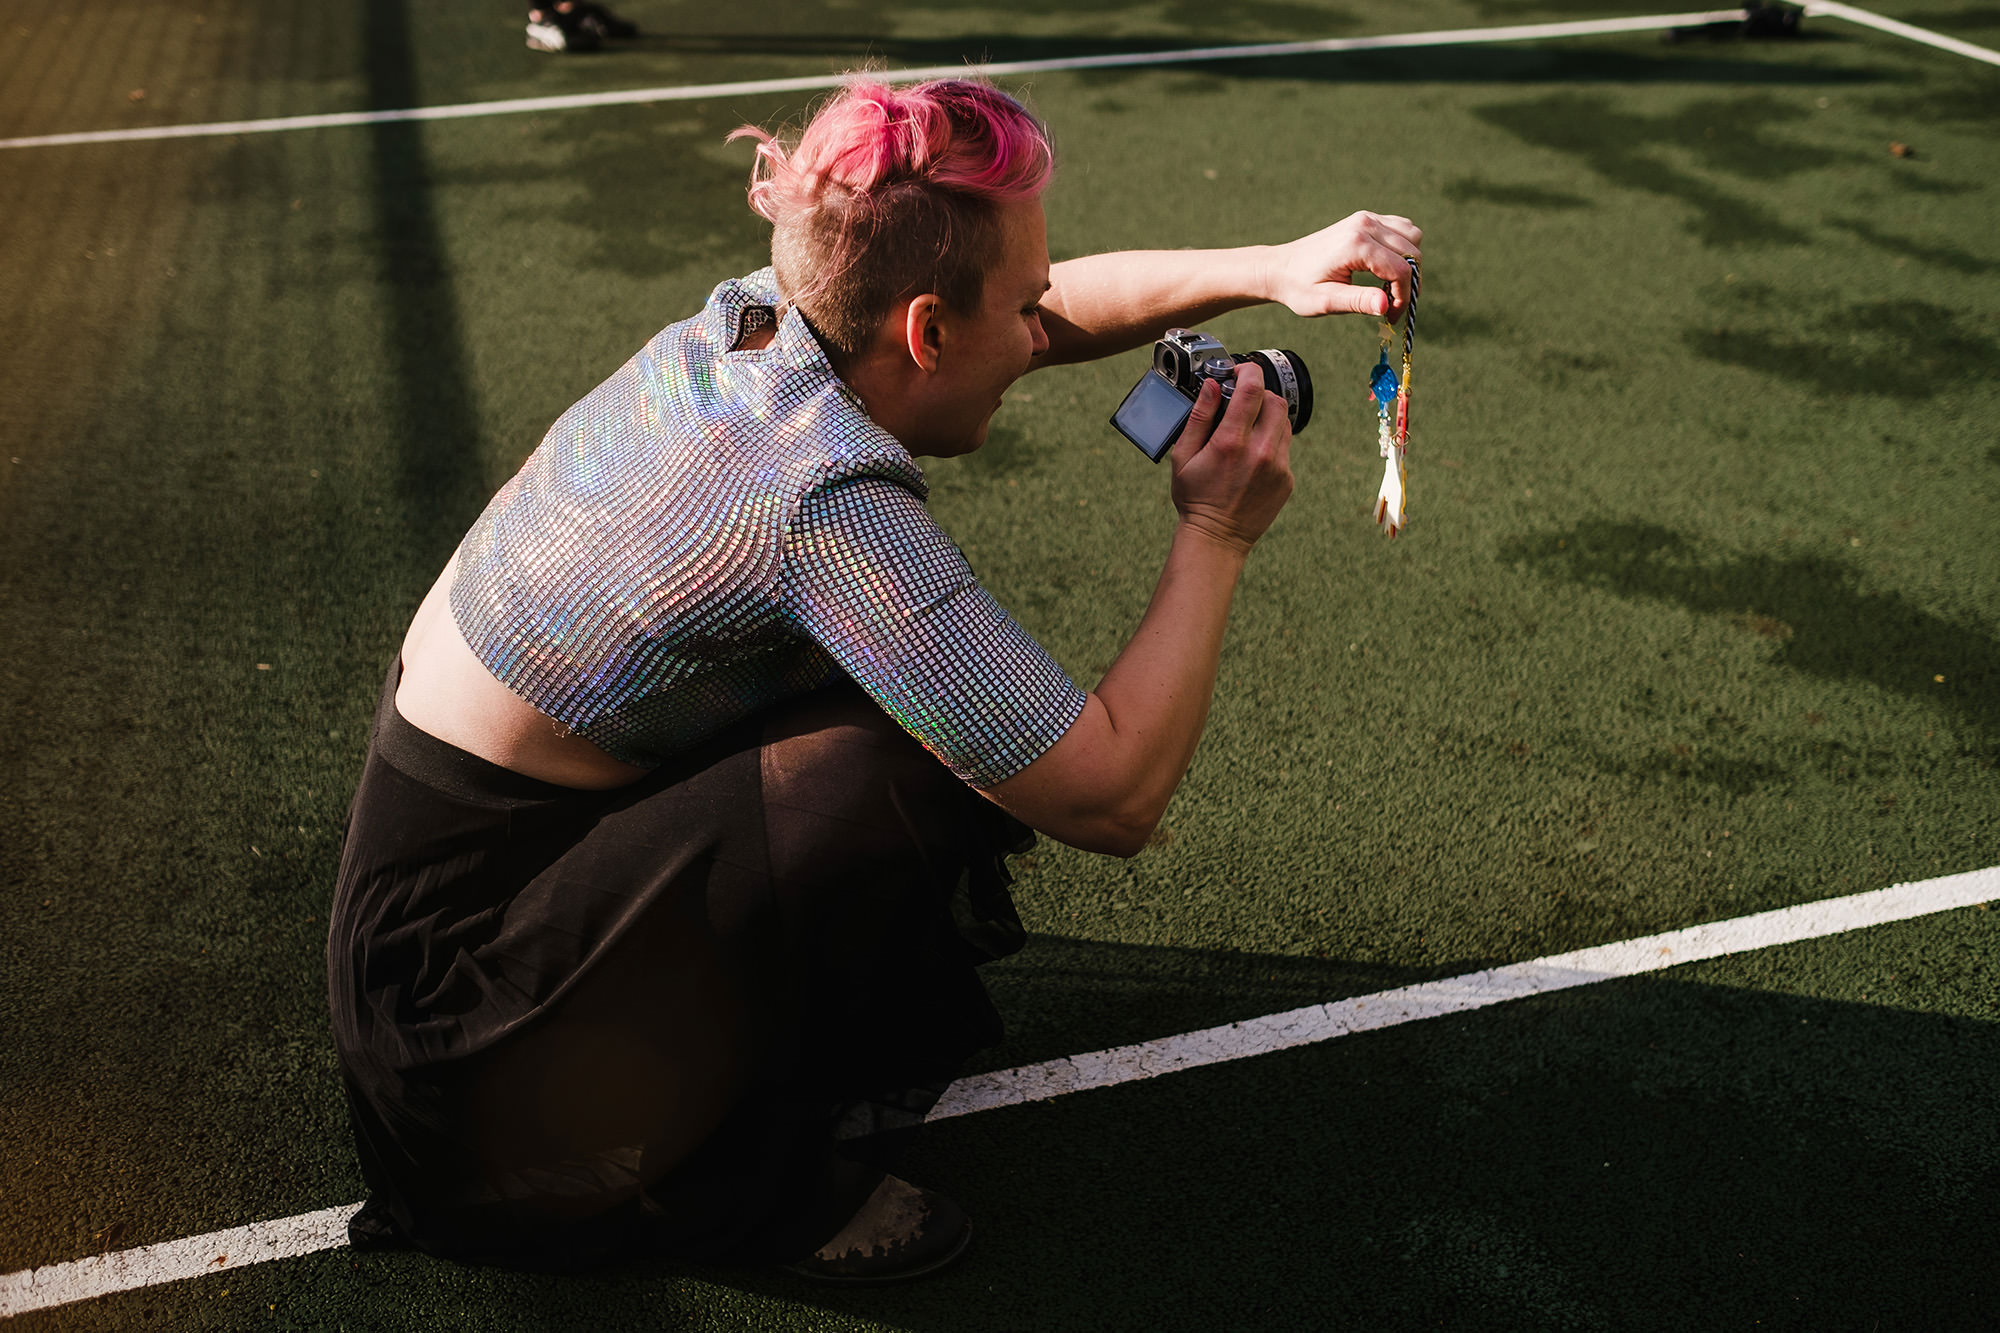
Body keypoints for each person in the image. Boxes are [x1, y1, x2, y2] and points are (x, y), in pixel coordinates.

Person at [327, 77, 1421, 1284]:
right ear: (926, 333)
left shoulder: (765, 320)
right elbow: (1112, 798)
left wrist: (1270, 263)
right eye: (1017, 304)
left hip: (461, 894)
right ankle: (734, 1197)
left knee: (915, 714)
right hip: (461, 1028)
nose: (1040, 327)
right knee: (898, 770)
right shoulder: (814, 497)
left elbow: (1041, 314)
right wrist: (1214, 535)